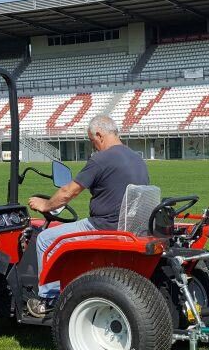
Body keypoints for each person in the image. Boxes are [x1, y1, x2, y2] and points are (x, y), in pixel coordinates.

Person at [26, 115, 149, 315]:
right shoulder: (136, 158)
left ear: (99, 135)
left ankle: (47, 299)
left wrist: (46, 205)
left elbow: (68, 192)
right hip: (129, 224)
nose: (93, 147)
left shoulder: (101, 159)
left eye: (92, 141)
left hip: (102, 226)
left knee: (44, 239)